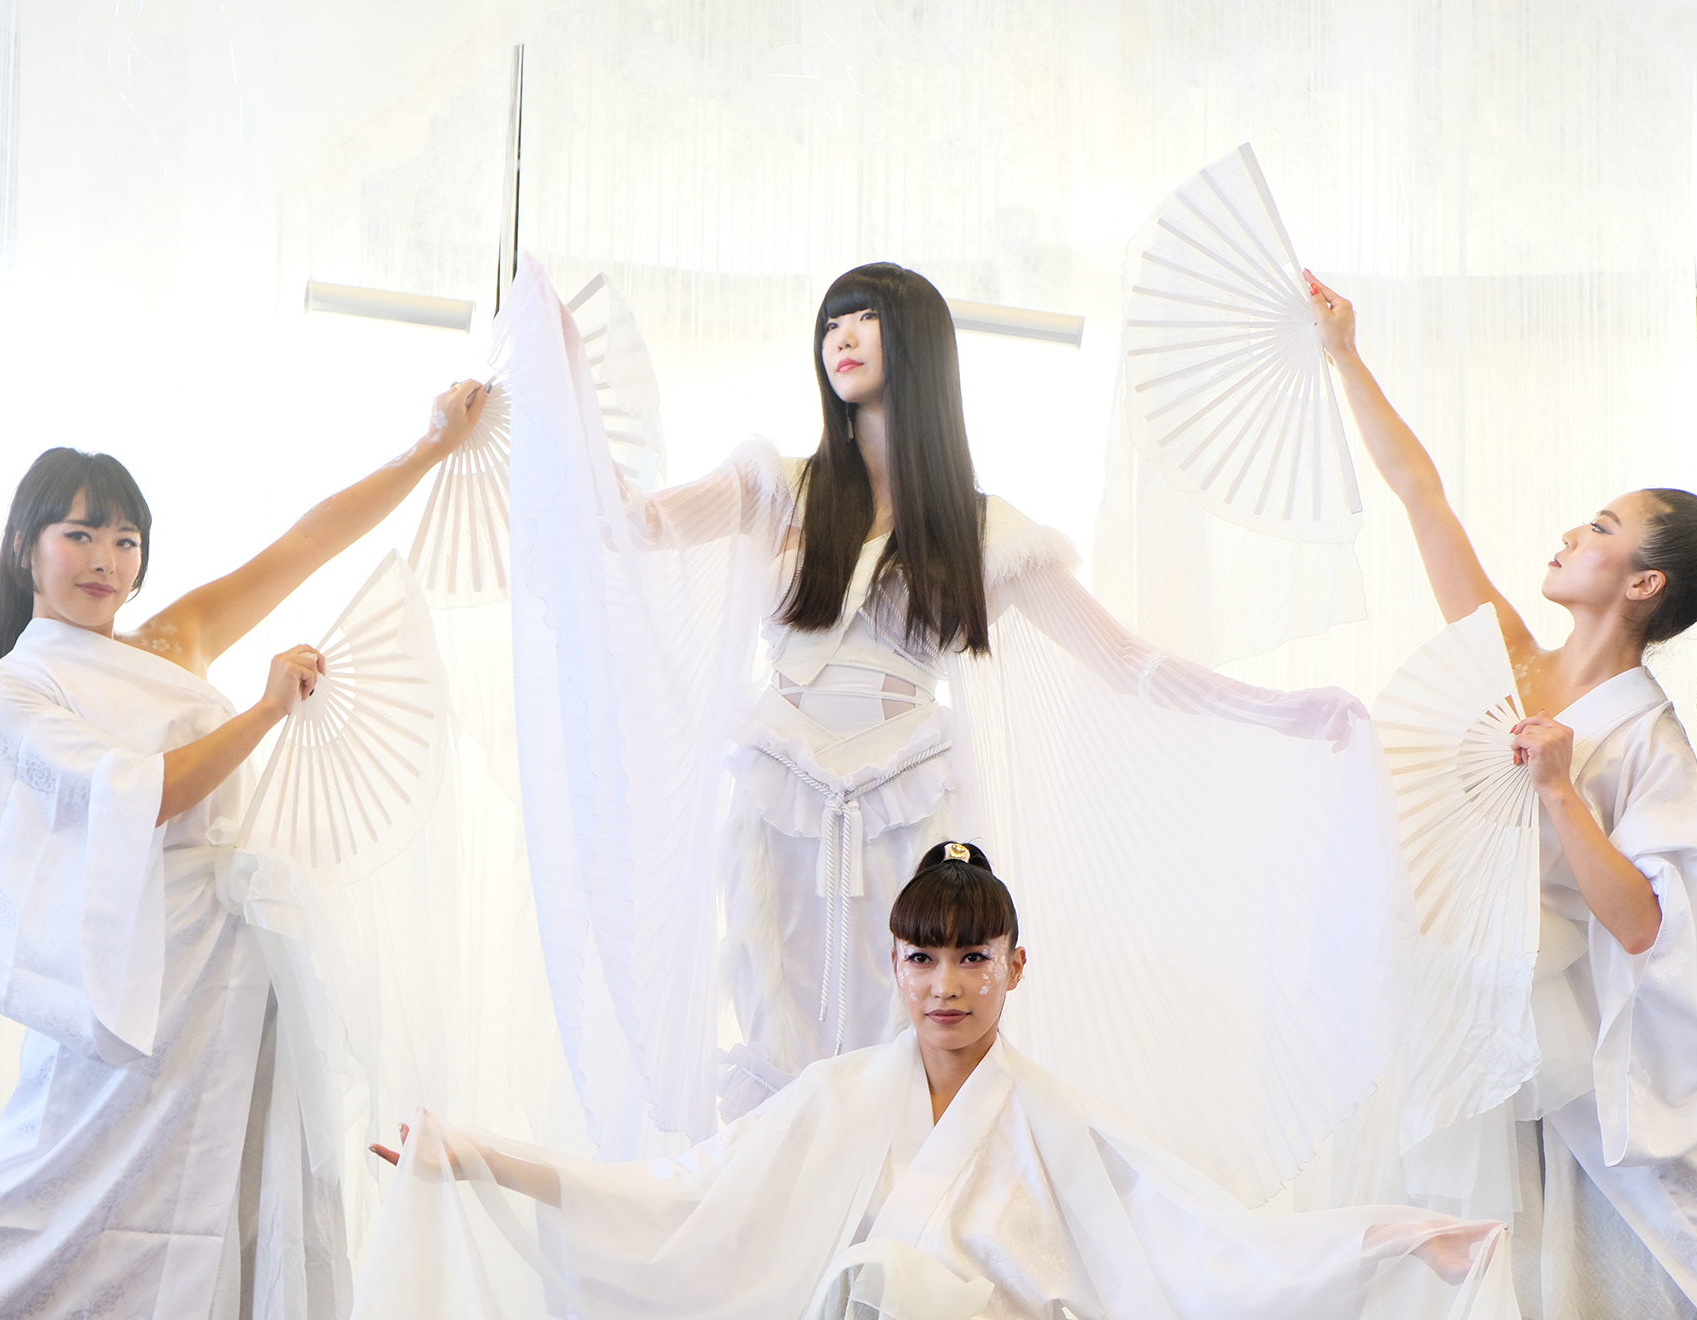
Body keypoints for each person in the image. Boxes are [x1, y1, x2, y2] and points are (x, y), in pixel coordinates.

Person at [496, 253, 1418, 1204]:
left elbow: (1124, 660)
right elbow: (634, 525)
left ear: (917, 344)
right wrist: (566, 381)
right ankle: (783, 1233)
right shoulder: (777, 485)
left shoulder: (981, 530)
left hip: (905, 799)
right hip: (778, 797)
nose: (841, 339)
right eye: (831, 323)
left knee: (903, 1031)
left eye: (863, 318)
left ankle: (894, 1242)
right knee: (779, 1026)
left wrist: (1281, 711)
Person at [0, 379, 488, 1320]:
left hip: (230, 975)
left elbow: (304, 544)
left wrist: (429, 449)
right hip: (125, 999)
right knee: (41, 1209)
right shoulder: (15, 696)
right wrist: (266, 710)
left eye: (126, 540)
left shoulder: (173, 637)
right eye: (80, 534)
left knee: (227, 1207)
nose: (105, 559)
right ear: (24, 547)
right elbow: (142, 795)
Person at [358, 842, 1516, 1320]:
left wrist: (1389, 1239)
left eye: (971, 958)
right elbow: (677, 1194)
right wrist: (475, 1155)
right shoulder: (835, 1099)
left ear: (1016, 966)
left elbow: (1207, 1242)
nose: (946, 984)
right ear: (894, 964)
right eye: (922, 958)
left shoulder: (1055, 1119)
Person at [1305, 270, 1697, 1320]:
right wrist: (1345, 354)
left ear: (1643, 583)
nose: (1571, 536)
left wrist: (1561, 794)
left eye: (1599, 529)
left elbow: (1644, 922)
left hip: (1558, 1027)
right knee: (1455, 1256)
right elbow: (1422, 497)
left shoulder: (1647, 739)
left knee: (1692, 1245)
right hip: (1456, 993)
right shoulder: (1508, 656)